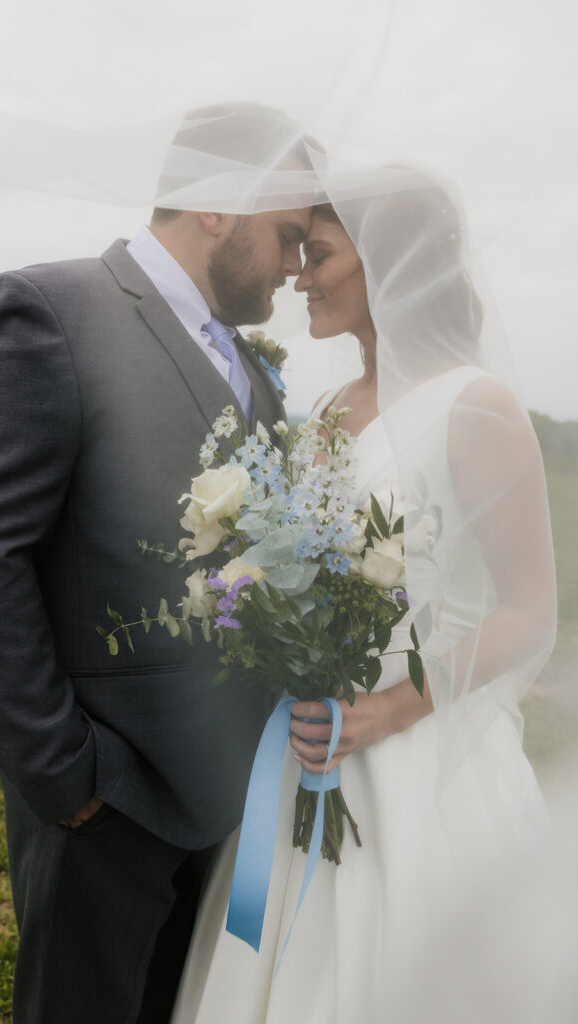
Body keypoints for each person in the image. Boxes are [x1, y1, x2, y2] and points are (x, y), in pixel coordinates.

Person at [0, 101, 314, 1024]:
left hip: (226, 801)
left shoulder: (253, 371)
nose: (296, 268)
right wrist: (65, 776)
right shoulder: (43, 309)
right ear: (219, 202)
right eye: (289, 236)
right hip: (106, 803)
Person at [170, 168, 557, 1023]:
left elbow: (530, 610)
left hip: (419, 757)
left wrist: (388, 712)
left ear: (388, 262)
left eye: (318, 253)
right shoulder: (328, 407)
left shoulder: (475, 404)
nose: (300, 275)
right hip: (305, 742)